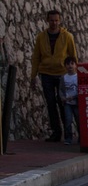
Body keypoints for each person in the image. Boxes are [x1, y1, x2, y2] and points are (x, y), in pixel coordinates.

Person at [30, 10, 78, 142]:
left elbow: (73, 55)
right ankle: (56, 132)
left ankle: (68, 132)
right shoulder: (41, 37)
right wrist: (33, 76)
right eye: (51, 20)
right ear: (47, 20)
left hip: (62, 74)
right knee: (50, 103)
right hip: (46, 73)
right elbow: (36, 57)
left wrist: (75, 73)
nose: (54, 23)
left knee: (63, 102)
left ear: (60, 20)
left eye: (56, 20)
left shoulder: (67, 36)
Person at [59, 56, 80, 145]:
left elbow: (81, 90)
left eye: (72, 64)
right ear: (65, 66)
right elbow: (61, 89)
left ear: (76, 65)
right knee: (68, 120)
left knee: (79, 120)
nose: (70, 66)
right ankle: (68, 138)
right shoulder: (64, 78)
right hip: (67, 103)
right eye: (68, 64)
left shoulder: (78, 77)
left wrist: (75, 97)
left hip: (76, 103)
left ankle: (81, 138)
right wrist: (62, 97)